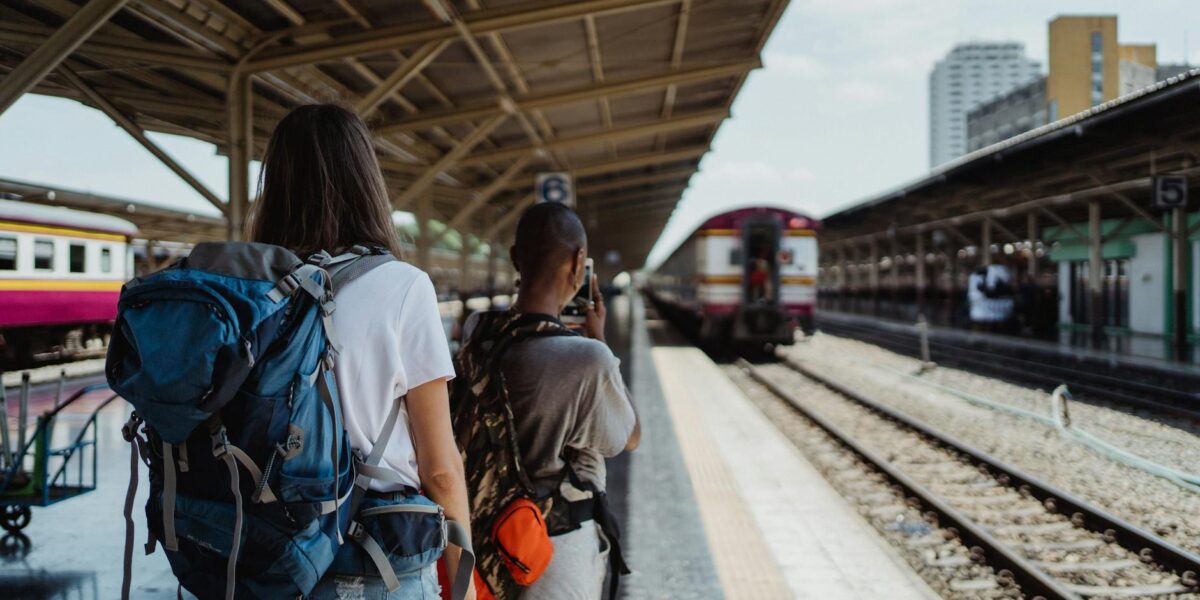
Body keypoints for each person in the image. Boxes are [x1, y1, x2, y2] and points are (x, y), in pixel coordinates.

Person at [247, 104, 474, 599]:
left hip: (258, 560)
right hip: (370, 565)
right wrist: (464, 587)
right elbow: (440, 467)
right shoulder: (403, 286)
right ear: (366, 183)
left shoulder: (241, 290)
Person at [460, 203, 640, 600]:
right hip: (555, 548)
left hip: (486, 539)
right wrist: (600, 341)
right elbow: (629, 436)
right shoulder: (589, 360)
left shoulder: (478, 334)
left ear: (513, 258)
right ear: (579, 264)